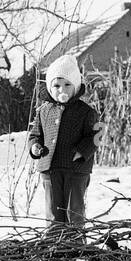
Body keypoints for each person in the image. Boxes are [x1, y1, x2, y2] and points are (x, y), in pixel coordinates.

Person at [28, 53, 99, 233]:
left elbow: (96, 135)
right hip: (50, 168)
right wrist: (35, 146)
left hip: (76, 169)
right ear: (50, 87)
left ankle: (76, 243)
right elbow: (35, 133)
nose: (62, 90)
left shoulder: (85, 111)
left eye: (68, 85)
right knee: (53, 210)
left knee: (73, 210)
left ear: (75, 87)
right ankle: (54, 245)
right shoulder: (44, 110)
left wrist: (82, 151)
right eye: (57, 85)